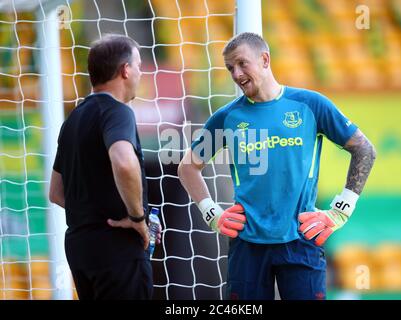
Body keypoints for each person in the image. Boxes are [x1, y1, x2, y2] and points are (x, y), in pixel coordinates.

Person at [177, 32, 376, 300]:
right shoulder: (226, 117)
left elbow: (364, 149)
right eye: (230, 68)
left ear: (265, 59)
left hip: (301, 239)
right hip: (247, 244)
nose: (236, 74)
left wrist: (341, 210)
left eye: (241, 63)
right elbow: (187, 167)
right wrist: (212, 213)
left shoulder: (310, 104)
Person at [49, 34, 160, 300]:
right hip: (117, 247)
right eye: (139, 66)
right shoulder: (117, 111)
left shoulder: (72, 119)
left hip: (81, 248)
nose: (140, 74)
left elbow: (55, 192)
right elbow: (123, 161)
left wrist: (94, 214)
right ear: (125, 70)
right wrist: (136, 219)